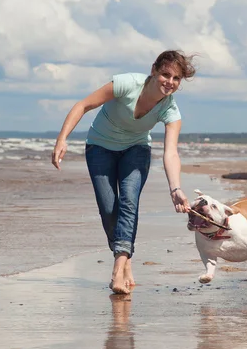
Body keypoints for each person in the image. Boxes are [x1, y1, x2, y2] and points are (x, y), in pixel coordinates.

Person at [52, 50, 197, 294]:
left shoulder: (170, 111)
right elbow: (84, 104)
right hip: (99, 147)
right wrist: (62, 139)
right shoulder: (126, 83)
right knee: (109, 209)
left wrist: (176, 188)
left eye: (176, 79)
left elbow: (171, 153)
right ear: (154, 70)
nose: (169, 82)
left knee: (129, 202)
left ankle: (118, 269)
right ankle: (126, 258)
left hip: (136, 150)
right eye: (166, 74)